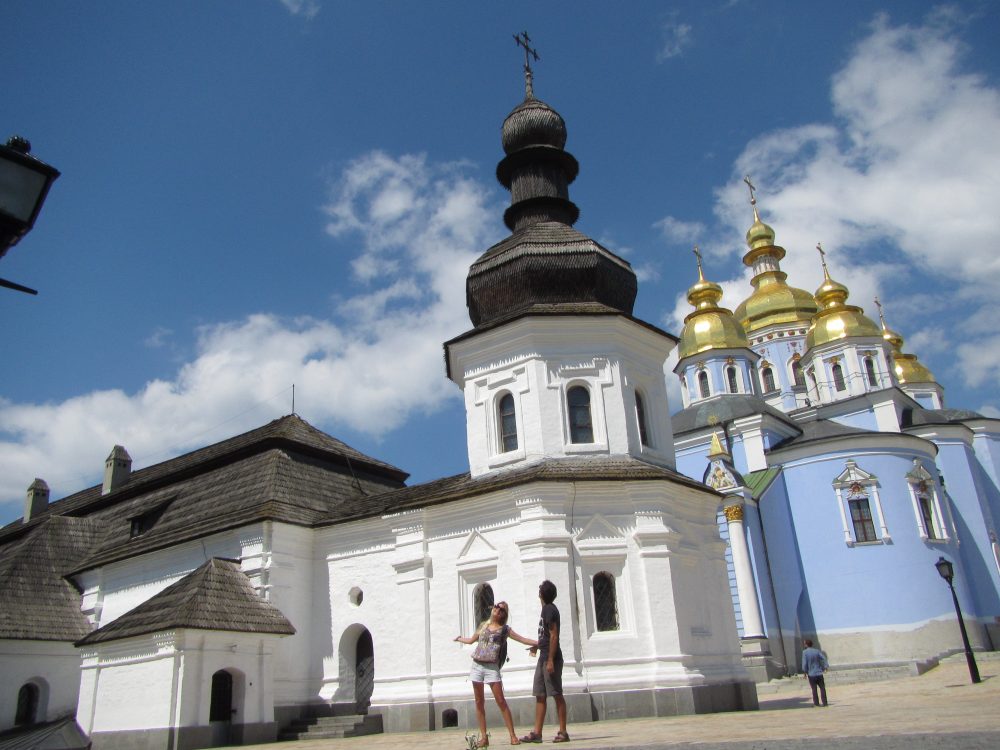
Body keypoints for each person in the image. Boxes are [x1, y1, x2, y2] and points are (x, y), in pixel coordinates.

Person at [455, 601, 537, 748]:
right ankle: (484, 737)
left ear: (504, 615)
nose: (497, 609)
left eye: (502, 609)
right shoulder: (484, 625)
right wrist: (459, 638)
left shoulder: (505, 630)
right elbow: (471, 641)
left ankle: (512, 735)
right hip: (477, 665)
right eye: (496, 606)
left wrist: (538, 643)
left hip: (492, 667)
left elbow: (522, 639)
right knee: (479, 702)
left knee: (501, 701)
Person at [520, 580, 569, 743]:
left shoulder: (549, 610)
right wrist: (538, 646)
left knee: (556, 693)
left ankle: (563, 731)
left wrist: (550, 660)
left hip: (550, 658)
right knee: (540, 694)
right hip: (544, 656)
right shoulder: (547, 609)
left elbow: (554, 635)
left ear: (541, 594)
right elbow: (547, 636)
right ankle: (537, 733)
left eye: (540, 590)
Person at [801, 638, 829, 706]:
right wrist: (825, 667)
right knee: (822, 688)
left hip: (811, 674)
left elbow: (804, 663)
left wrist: (805, 673)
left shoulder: (805, 652)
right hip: (819, 673)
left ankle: (816, 703)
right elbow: (824, 658)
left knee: (814, 689)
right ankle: (825, 703)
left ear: (806, 645)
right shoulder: (817, 651)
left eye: (804, 644)